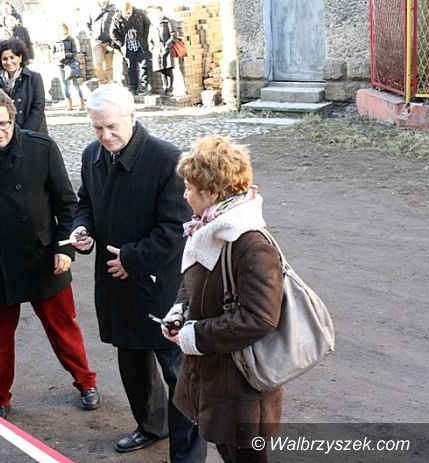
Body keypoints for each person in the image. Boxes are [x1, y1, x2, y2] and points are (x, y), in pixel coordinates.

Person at [69, 85, 205, 461]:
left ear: (132, 116)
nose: (105, 136)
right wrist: (82, 229)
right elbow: (85, 203)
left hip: (160, 285)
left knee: (178, 372)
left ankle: (188, 454)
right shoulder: (92, 155)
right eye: (97, 128)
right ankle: (150, 425)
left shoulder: (167, 159)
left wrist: (133, 259)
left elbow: (175, 228)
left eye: (112, 126)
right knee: (131, 360)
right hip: (115, 283)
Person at [0, 88, 100, 419]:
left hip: (43, 256)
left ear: (13, 118)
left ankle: (86, 382)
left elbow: (67, 205)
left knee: (63, 328)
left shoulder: (41, 148)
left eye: (4, 123)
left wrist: (65, 249)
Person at [163, 135, 284, 463]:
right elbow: (195, 277)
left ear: (213, 193)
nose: (185, 195)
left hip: (242, 389)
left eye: (190, 189)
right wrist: (180, 309)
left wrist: (194, 336)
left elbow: (260, 318)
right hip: (217, 378)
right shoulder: (210, 227)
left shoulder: (251, 244)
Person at [0, 38, 47, 134]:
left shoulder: (34, 78)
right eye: (5, 59)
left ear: (20, 58)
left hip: (33, 133)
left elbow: (38, 107)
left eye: (12, 57)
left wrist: (24, 134)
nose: (9, 62)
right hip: (8, 134)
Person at [110, 1, 151, 95]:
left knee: (144, 65)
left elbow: (148, 25)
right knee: (131, 68)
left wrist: (145, 38)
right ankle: (133, 87)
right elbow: (113, 33)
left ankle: (145, 87)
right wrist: (121, 44)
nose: (127, 15)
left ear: (131, 9)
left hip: (140, 44)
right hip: (128, 46)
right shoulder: (117, 17)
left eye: (129, 13)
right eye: (125, 14)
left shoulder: (140, 13)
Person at [53, 24, 86, 111]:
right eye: (61, 29)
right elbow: (53, 54)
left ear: (66, 30)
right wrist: (58, 56)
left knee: (75, 84)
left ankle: (81, 102)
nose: (62, 31)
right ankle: (69, 104)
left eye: (64, 29)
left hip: (70, 64)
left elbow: (74, 52)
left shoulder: (71, 39)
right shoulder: (56, 41)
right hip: (60, 65)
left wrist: (66, 55)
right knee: (64, 85)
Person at [87, 0, 118, 85]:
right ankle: (102, 83)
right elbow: (87, 24)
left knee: (109, 65)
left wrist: (114, 40)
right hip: (97, 42)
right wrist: (91, 36)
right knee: (98, 63)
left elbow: (117, 23)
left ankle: (110, 83)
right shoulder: (92, 9)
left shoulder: (114, 8)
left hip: (109, 42)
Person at [148, 6, 176, 96]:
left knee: (168, 69)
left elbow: (174, 36)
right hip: (157, 50)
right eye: (155, 13)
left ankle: (170, 89)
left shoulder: (168, 22)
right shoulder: (153, 24)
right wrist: (152, 48)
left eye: (158, 12)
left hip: (167, 49)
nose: (156, 14)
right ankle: (165, 88)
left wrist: (167, 47)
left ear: (161, 12)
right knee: (162, 70)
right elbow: (150, 39)